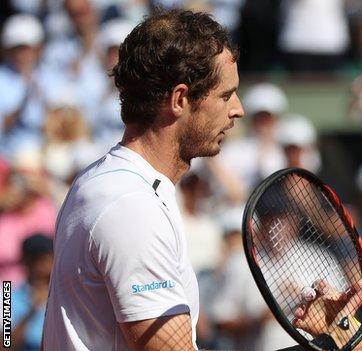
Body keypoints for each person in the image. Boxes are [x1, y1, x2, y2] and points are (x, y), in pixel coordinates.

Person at [42, 9, 244, 350]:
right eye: (225, 95)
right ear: (180, 99)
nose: (238, 109)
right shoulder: (130, 206)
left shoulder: (109, 183)